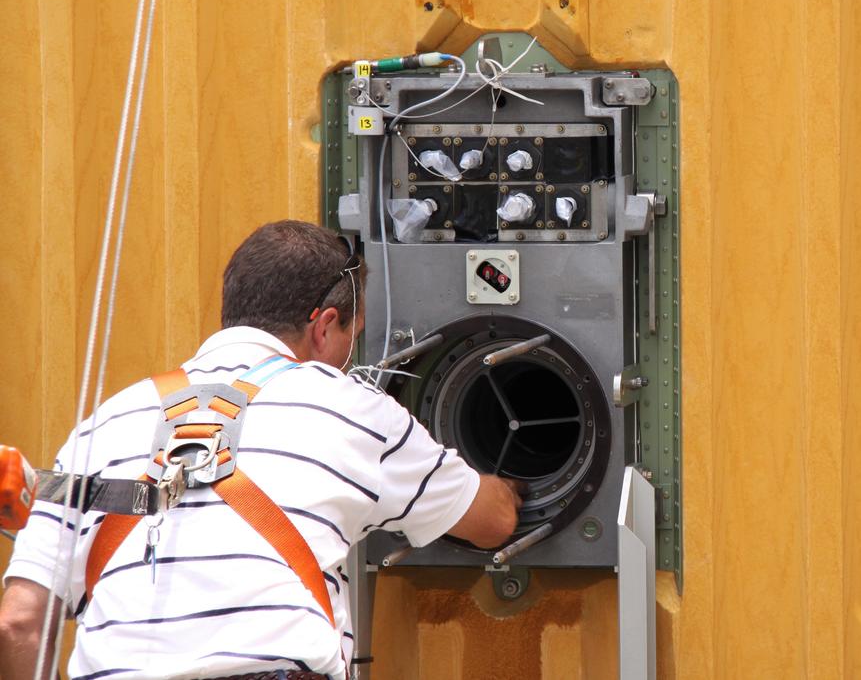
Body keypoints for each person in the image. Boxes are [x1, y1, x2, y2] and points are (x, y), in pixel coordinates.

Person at [0, 220, 520, 679]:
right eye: (351, 337)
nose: (348, 358)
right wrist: (511, 486)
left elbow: (19, 623)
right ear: (323, 327)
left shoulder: (107, 422)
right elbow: (489, 521)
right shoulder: (350, 407)